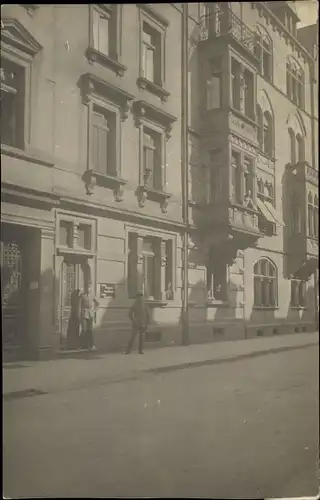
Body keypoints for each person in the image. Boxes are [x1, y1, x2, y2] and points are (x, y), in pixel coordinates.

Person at [80, 282, 99, 352]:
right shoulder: (83, 296)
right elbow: (80, 306)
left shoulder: (92, 295)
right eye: (87, 287)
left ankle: (91, 345)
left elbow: (98, 304)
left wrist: (94, 310)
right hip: (84, 314)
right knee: (84, 330)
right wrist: (81, 313)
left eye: (89, 287)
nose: (88, 288)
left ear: (91, 288)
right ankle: (83, 345)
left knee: (90, 330)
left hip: (90, 314)